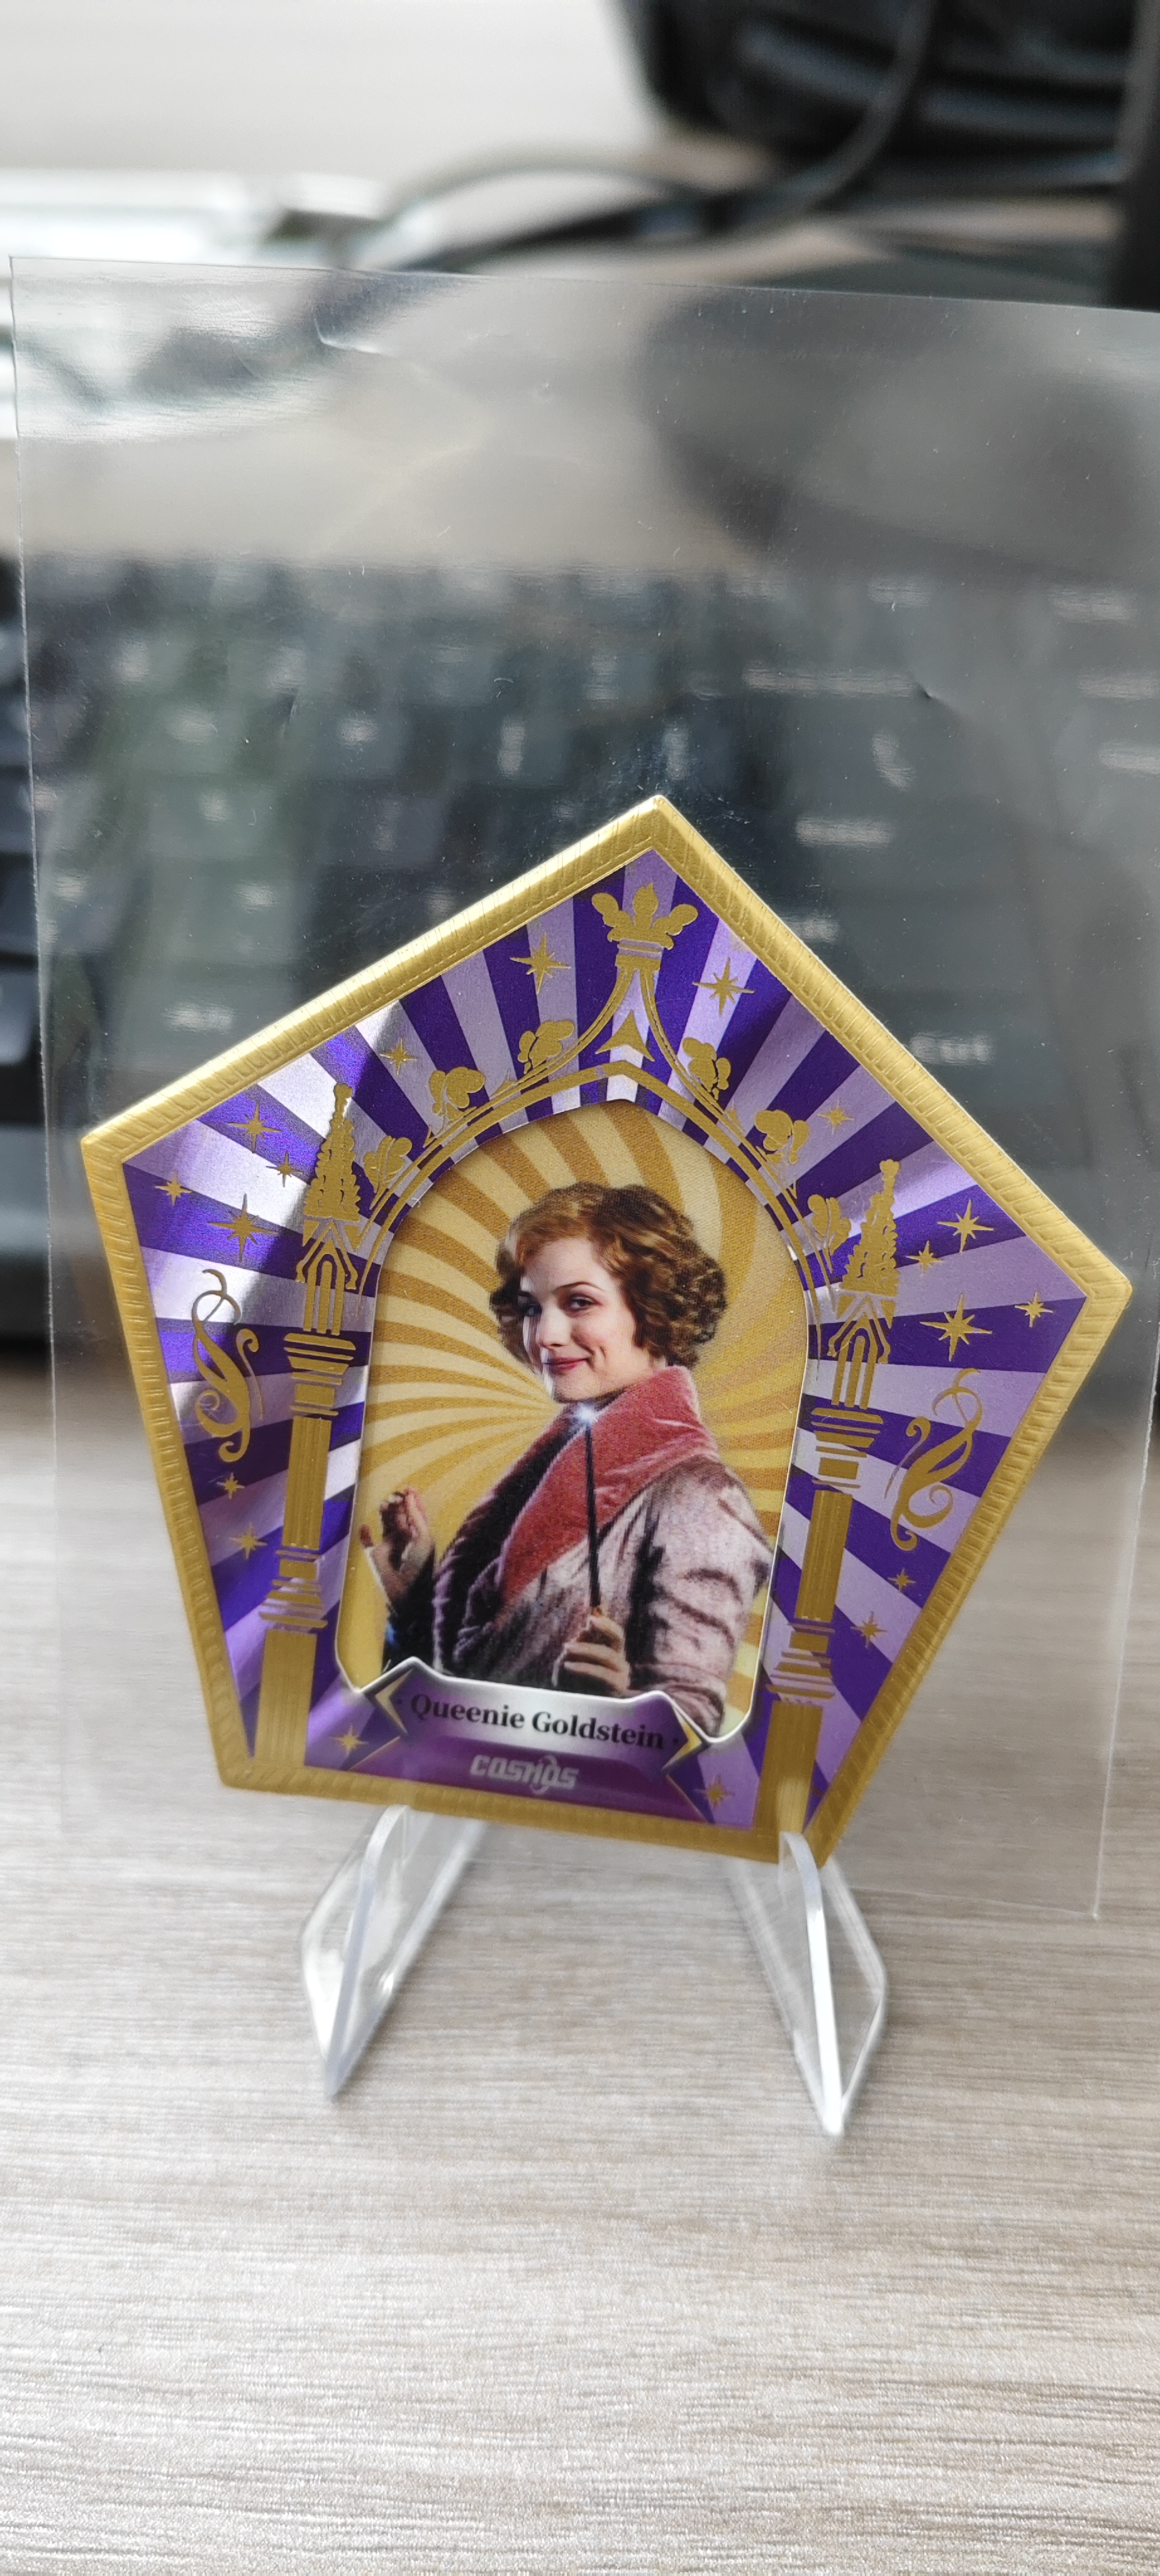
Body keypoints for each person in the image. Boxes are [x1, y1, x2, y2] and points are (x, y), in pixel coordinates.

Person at [359, 1180, 772, 1739]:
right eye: (532, 1307)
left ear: (653, 1308)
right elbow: (451, 1703)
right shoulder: (553, 1465)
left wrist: (616, 1708)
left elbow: (688, 1736)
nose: (546, 1335)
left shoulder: (700, 1498)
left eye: (579, 1302)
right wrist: (413, 1602)